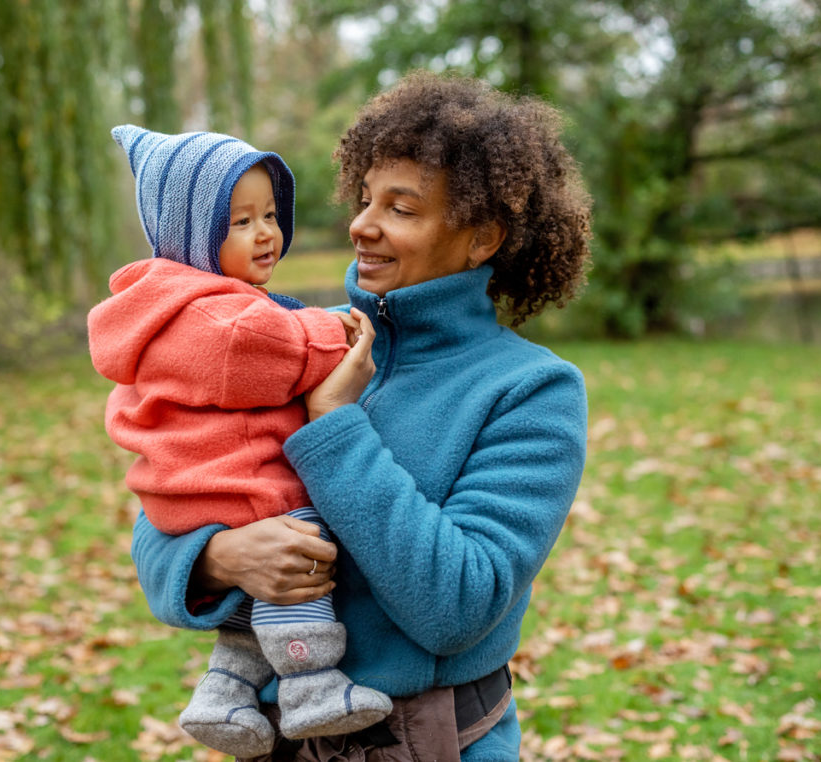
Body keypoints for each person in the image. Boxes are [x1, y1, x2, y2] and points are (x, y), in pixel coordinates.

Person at [129, 71, 593, 761]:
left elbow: (457, 608)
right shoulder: (292, 342)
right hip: (275, 736)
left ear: (481, 240)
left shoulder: (531, 391)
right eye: (366, 197)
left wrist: (335, 427)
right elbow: (168, 504)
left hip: (430, 743)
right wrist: (219, 559)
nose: (361, 225)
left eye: (401, 209)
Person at [88, 125, 392, 759]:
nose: (266, 234)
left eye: (271, 215)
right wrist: (335, 330)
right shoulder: (218, 320)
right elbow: (277, 349)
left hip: (186, 491)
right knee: (301, 544)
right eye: (240, 221)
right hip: (242, 482)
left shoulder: (168, 305)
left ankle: (223, 693)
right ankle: (311, 686)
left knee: (253, 606)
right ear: (191, 237)